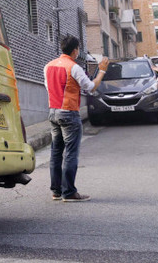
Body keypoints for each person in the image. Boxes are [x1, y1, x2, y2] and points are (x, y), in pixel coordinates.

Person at [44, 36, 109, 202]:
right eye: (78, 49)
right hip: (69, 112)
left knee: (56, 152)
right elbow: (90, 87)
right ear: (75, 50)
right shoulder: (74, 67)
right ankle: (69, 192)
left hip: (53, 111)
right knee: (71, 153)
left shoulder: (48, 66)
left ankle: (56, 191)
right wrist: (101, 71)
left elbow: (48, 87)